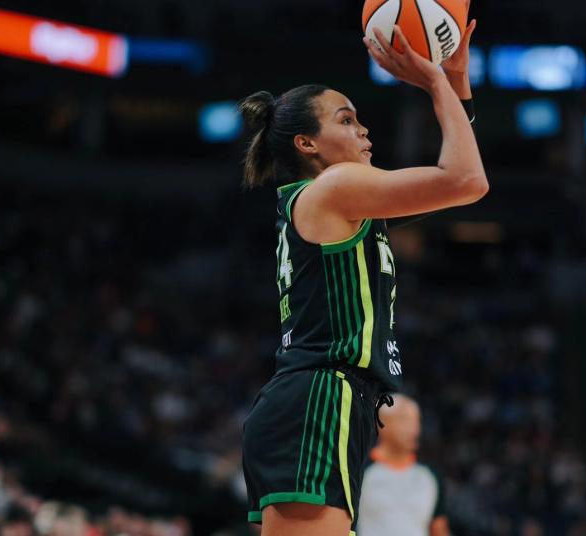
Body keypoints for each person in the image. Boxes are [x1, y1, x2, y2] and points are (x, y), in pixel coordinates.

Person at [240, 5, 485, 535]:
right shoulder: (333, 188)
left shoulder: (340, 199)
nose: (364, 128)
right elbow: (467, 179)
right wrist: (436, 79)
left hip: (329, 402)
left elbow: (455, 187)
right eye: (346, 120)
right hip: (317, 400)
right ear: (307, 144)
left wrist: (457, 82)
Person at [356, 395, 450, 536]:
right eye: (404, 419)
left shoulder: (430, 476)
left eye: (417, 421)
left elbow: (439, 530)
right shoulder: (359, 471)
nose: (414, 429)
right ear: (381, 423)